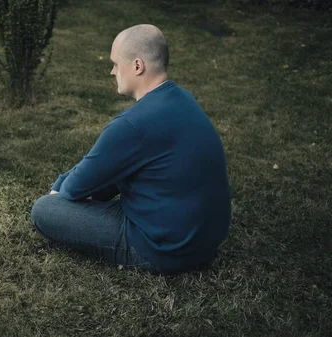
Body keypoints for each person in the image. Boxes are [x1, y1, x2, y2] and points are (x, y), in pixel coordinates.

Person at [30, 24, 231, 274]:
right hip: (205, 242)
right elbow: (112, 171)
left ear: (137, 66)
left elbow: (74, 188)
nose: (112, 71)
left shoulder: (131, 125)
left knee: (44, 209)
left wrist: (58, 190)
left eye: (115, 63)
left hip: (163, 249)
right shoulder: (183, 99)